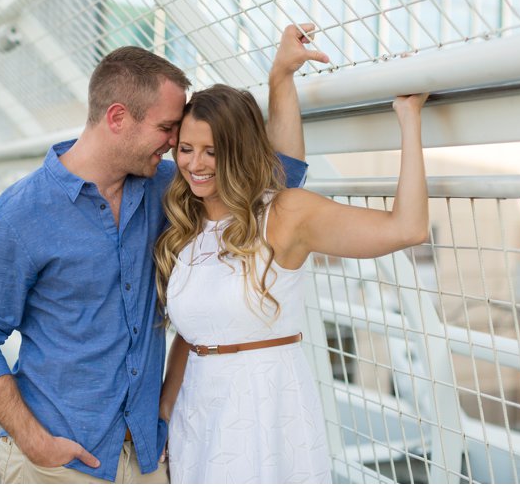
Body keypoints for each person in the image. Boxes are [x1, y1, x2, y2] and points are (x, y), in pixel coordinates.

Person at [0, 35, 327, 483]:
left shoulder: (170, 188)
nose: (175, 143)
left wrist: (280, 77)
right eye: (167, 128)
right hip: (57, 464)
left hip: (149, 459)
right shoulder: (18, 217)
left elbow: (277, 178)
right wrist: (35, 443)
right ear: (117, 118)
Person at [155, 25, 430, 483]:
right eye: (185, 149)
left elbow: (409, 227)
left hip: (266, 410)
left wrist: (409, 119)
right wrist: (163, 414)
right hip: (196, 414)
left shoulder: (285, 214)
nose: (194, 164)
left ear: (239, 150)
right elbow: (190, 334)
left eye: (212, 151)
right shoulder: (187, 222)